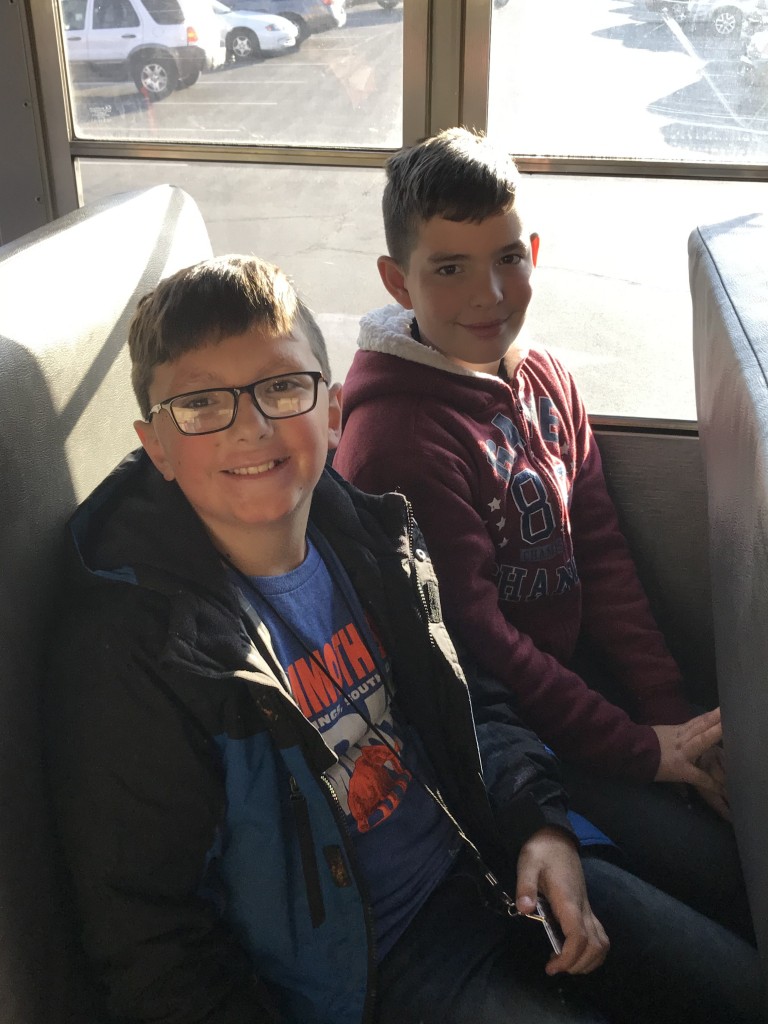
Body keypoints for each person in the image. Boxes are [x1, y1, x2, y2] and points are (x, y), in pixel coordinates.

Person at [45, 255, 762, 1024]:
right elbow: (151, 937)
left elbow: (470, 697)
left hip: (488, 863)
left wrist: (540, 826)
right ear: (155, 446)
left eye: (281, 387)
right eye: (200, 404)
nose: (250, 426)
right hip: (378, 971)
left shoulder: (369, 535)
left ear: (332, 411)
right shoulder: (138, 654)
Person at [332, 127, 753, 941]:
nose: (488, 294)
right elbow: (478, 642)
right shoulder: (398, 439)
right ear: (398, 280)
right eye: (448, 269)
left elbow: (604, 560)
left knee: (725, 849)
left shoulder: (546, 378)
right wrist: (640, 749)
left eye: (506, 259)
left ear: (532, 252)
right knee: (709, 871)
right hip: (496, 732)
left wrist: (678, 728)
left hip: (570, 696)